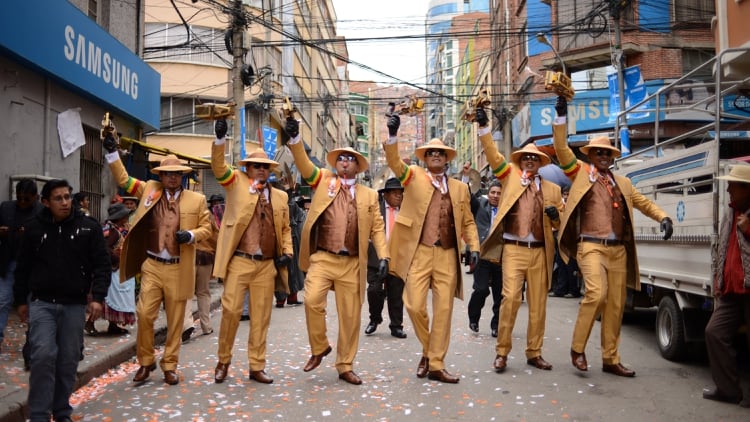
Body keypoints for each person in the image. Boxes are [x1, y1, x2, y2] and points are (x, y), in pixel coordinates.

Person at [552, 96, 673, 377]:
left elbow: (644, 202)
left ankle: (610, 359)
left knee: (616, 305)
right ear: (590, 155)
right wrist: (560, 114)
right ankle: (577, 348)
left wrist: (663, 217)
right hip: (590, 247)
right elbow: (560, 148)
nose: (604, 157)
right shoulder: (580, 173)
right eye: (598, 153)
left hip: (618, 250)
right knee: (596, 293)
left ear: (612, 157)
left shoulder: (624, 183)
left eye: (608, 154)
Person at [284, 116, 389, 385]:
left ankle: (345, 364)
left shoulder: (368, 195)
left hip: (352, 262)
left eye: (349, 159)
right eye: (340, 158)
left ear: (357, 167)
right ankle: (320, 347)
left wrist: (384, 256)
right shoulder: (323, 180)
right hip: (322, 258)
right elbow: (305, 166)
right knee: (311, 300)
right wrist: (295, 139)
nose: (344, 162)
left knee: (351, 317)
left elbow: (377, 228)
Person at [103, 137, 212, 386]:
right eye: (167, 174)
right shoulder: (149, 191)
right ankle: (145, 361)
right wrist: (112, 154)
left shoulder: (197, 200)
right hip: (152, 265)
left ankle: (170, 365)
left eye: (176, 174)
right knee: (144, 314)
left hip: (178, 266)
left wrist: (192, 235)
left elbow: (208, 228)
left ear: (183, 176)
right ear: (160, 176)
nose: (172, 178)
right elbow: (124, 180)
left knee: (175, 322)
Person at [384, 114, 480, 384]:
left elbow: (469, 222)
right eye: (431, 152)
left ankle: (436, 363)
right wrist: (393, 135)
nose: (436, 155)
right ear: (425, 158)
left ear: (446, 158)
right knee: (413, 305)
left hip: (448, 254)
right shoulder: (412, 176)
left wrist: (474, 246)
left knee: (444, 311)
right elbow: (394, 163)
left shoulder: (461, 188)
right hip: (420, 252)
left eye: (440, 152)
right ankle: (428, 349)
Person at [473, 106, 563, 374]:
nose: (529, 161)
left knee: (538, 304)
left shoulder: (553, 189)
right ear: (520, 160)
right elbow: (492, 154)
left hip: (540, 251)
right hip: (513, 249)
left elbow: (561, 224)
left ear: (540, 163)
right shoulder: (508, 176)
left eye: (534, 158)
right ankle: (502, 352)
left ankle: (534, 352)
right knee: (510, 298)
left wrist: (555, 216)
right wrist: (484, 127)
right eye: (525, 158)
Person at [14, 179, 111, 421]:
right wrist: (21, 301)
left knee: (68, 360)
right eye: (58, 198)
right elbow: (23, 267)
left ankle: (61, 411)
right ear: (45, 202)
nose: (65, 202)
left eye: (67, 197)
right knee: (43, 356)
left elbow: (102, 264)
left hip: (74, 306)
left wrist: (98, 297)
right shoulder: (34, 229)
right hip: (42, 304)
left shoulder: (88, 228)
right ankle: (38, 414)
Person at [210, 120, 293, 385]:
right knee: (231, 312)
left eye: (265, 167)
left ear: (270, 171)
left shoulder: (279, 197)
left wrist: (288, 252)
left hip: (267, 265)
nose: (260, 170)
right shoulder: (235, 183)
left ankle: (257, 366)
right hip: (240, 261)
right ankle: (223, 361)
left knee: (261, 317)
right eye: (256, 166)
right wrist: (220, 140)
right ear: (247, 168)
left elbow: (286, 228)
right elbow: (219, 168)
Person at [702, 164, 750, 407]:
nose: (728, 189)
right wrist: (719, 280)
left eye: (733, 185)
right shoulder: (730, 212)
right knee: (714, 332)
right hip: (731, 290)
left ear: (747, 189)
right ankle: (728, 390)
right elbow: (723, 249)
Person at [0, 179, 42, 352]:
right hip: (9, 262)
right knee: (2, 300)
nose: (23, 202)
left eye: (27, 199)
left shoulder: (42, 211)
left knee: (34, 305)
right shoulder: (6, 207)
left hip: (33, 266)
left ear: (35, 197)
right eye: (20, 198)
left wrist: (31, 234)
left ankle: (31, 342)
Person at [364, 177, 407, 339]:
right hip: (376, 258)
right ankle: (374, 319)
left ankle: (396, 326)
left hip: (398, 259)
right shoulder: (375, 210)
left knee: (396, 293)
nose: (398, 196)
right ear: (386, 195)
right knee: (374, 290)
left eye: (400, 193)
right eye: (394, 193)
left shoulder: (405, 211)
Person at [86, 203, 136, 336]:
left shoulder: (117, 229)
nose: (127, 217)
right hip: (112, 269)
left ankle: (113, 325)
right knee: (107, 299)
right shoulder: (111, 231)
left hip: (118, 269)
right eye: (125, 215)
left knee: (115, 298)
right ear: (120, 217)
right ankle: (90, 323)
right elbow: (105, 248)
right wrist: (117, 257)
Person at [468, 180, 503, 338]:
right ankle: (473, 319)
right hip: (482, 255)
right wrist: (466, 177)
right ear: (488, 194)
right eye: (493, 192)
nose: (495, 196)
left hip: (502, 257)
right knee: (481, 289)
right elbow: (469, 197)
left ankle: (496, 325)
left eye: (499, 193)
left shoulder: (508, 209)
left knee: (500, 294)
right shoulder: (480, 205)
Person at [182, 208, 219, 341]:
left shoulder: (185, 213)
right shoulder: (209, 216)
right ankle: (206, 325)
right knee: (203, 292)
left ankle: (187, 324)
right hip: (206, 257)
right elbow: (216, 238)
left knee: (186, 292)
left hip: (188, 256)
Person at [275, 182, 305, 308]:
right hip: (279, 240)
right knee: (282, 270)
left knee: (292, 270)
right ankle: (281, 299)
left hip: (291, 239)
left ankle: (291, 297)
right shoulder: (275, 203)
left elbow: (298, 219)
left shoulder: (291, 205)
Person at [549, 186, 582, 298]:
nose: (566, 196)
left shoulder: (576, 205)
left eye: (569, 194)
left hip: (572, 240)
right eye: (565, 194)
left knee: (571, 265)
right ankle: (560, 290)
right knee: (560, 264)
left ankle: (573, 290)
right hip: (560, 238)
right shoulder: (560, 206)